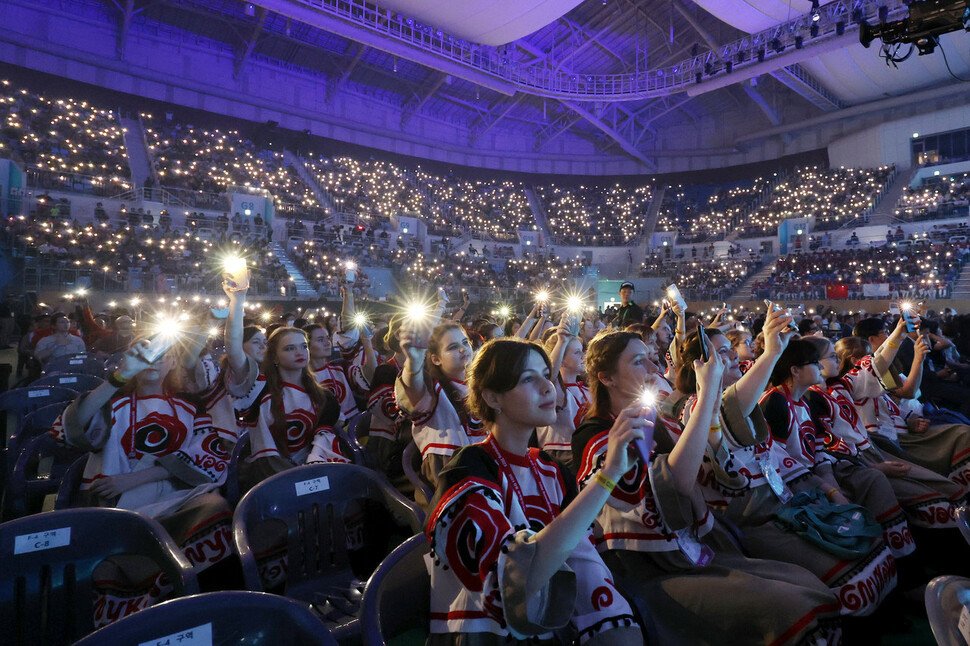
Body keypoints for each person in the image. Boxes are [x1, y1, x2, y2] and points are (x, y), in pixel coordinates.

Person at [572, 329, 841, 644]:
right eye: (637, 362)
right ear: (606, 378)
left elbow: (710, 458)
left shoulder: (656, 419)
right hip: (651, 566)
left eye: (650, 359)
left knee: (806, 583)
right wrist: (709, 390)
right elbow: (678, 483)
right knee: (788, 606)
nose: (651, 370)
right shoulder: (595, 436)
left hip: (696, 546)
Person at [674, 308, 896, 618]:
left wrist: (828, 491)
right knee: (848, 572)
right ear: (701, 366)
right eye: (722, 353)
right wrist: (771, 353)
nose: (734, 357)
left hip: (784, 499)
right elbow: (733, 406)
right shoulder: (699, 408)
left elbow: (780, 456)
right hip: (752, 517)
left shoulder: (747, 402)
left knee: (870, 545)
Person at [426, 338, 642, 645]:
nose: (547, 386)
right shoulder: (468, 471)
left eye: (545, 374)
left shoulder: (550, 469)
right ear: (493, 398)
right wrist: (608, 476)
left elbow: (580, 555)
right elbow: (515, 582)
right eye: (528, 379)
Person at [54, 335, 232, 624]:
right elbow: (67, 431)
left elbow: (209, 454)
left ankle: (206, 610)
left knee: (216, 508)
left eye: (161, 355)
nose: (153, 361)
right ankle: (139, 616)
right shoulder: (112, 403)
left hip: (173, 496)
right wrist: (119, 376)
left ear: (172, 362)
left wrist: (136, 478)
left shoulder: (189, 405)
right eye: (145, 355)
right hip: (117, 502)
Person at [760, 339, 914, 561]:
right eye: (815, 362)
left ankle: (900, 555)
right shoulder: (775, 403)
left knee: (873, 483)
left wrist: (833, 490)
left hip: (818, 475)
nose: (822, 367)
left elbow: (819, 453)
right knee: (869, 486)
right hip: (792, 489)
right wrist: (831, 492)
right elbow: (777, 464)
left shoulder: (803, 403)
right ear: (795, 370)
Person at [396, 320, 485, 487]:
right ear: (436, 359)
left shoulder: (479, 384)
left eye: (465, 342)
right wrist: (413, 360)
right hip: (452, 473)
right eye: (452, 347)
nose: (462, 349)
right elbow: (413, 388)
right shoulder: (433, 389)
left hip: (485, 463)